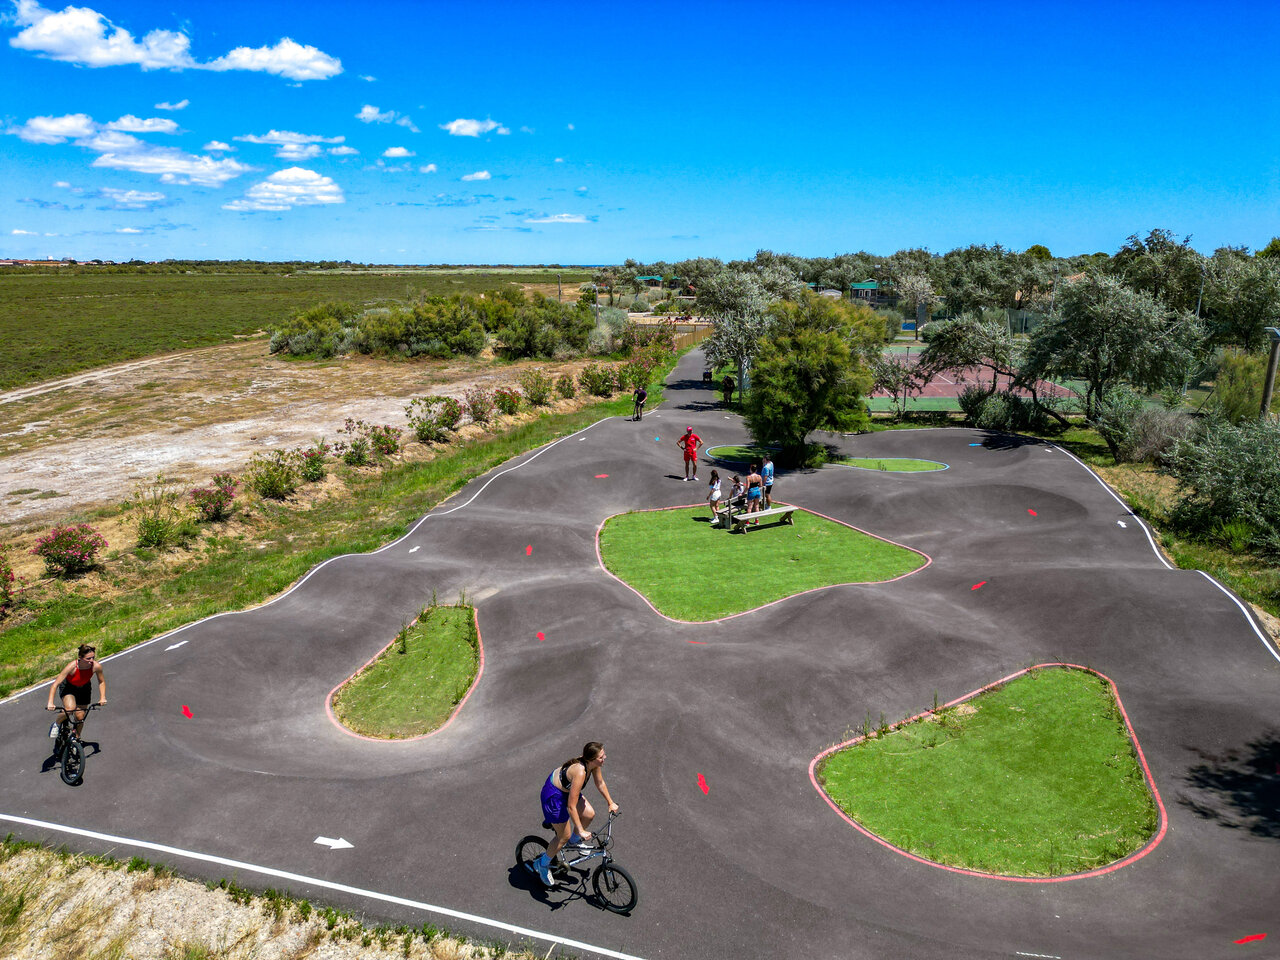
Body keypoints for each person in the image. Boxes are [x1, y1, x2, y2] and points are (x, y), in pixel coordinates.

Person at [527, 742, 619, 887]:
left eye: (603, 754)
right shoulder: (581, 772)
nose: (604, 758)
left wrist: (610, 802)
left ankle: (574, 842)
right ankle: (542, 864)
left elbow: (600, 783)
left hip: (567, 792)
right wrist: (581, 830)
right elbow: (571, 807)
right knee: (563, 836)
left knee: (589, 814)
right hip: (554, 796)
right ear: (591, 759)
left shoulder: (593, 765)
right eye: (601, 757)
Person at [46, 643, 106, 740]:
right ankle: (56, 724)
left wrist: (102, 697)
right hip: (69, 687)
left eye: (93, 658)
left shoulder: (96, 666)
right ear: (80, 657)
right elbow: (55, 684)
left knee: (80, 717)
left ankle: (76, 739)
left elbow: (101, 681)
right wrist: (50, 702)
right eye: (88, 659)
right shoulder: (72, 666)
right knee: (70, 709)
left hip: (84, 688)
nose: (91, 661)